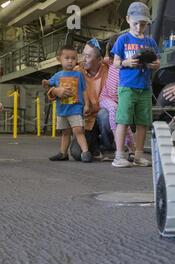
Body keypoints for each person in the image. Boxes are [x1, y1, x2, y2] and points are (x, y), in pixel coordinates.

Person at [111, 1, 160, 168]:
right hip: (127, 87)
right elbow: (115, 62)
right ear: (128, 20)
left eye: (143, 24)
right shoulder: (123, 39)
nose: (139, 27)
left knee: (142, 122)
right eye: (136, 23)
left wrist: (155, 65)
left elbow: (157, 61)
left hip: (145, 87)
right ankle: (119, 155)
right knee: (123, 120)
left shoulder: (150, 42)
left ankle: (138, 156)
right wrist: (126, 62)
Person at [47, 38, 109, 161]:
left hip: (101, 115)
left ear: (99, 59)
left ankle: (109, 148)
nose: (83, 59)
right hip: (87, 119)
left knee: (105, 115)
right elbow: (55, 86)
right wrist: (55, 91)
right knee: (76, 153)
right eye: (83, 55)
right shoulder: (76, 71)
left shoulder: (108, 71)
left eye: (88, 56)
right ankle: (93, 148)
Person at [45, 45, 92, 163]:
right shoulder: (57, 76)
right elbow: (50, 86)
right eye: (67, 58)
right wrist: (45, 83)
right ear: (59, 59)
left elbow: (84, 90)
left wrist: (87, 104)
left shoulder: (79, 75)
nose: (70, 61)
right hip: (62, 109)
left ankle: (86, 152)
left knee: (78, 130)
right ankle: (63, 153)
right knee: (65, 132)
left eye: (73, 58)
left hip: (75, 108)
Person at [98, 35, 136, 160]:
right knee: (114, 110)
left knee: (125, 123)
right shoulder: (110, 61)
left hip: (120, 100)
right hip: (106, 98)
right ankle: (119, 146)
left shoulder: (127, 65)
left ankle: (132, 150)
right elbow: (100, 60)